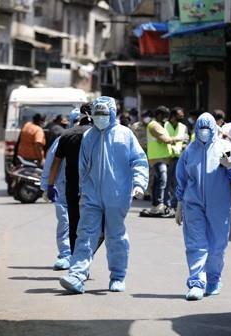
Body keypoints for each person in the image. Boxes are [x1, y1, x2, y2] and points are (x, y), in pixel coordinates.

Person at [59, 96, 148, 294]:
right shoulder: (89, 136)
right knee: (85, 234)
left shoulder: (125, 135)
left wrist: (139, 183)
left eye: (104, 114)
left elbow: (139, 161)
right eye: (97, 114)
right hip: (92, 196)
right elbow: (82, 166)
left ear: (112, 114)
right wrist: (83, 190)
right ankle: (77, 275)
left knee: (115, 237)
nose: (100, 118)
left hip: (117, 195)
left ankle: (117, 276)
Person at [175, 112, 231, 301]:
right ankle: (197, 282)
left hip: (219, 204)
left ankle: (214, 279)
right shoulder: (189, 151)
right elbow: (181, 178)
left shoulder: (226, 148)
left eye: (208, 129)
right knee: (195, 244)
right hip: (193, 203)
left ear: (214, 129)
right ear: (196, 130)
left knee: (217, 245)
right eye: (201, 129)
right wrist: (180, 202)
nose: (204, 132)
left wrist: (230, 165)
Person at [47, 103, 94, 253]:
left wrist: (50, 185)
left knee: (74, 224)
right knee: (94, 225)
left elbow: (55, 162)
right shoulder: (99, 135)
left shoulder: (67, 135)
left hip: (72, 187)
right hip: (94, 188)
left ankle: (76, 259)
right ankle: (85, 258)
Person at [40, 109, 81, 270]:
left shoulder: (93, 139)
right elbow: (52, 162)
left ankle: (80, 256)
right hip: (63, 188)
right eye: (76, 120)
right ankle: (66, 254)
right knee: (65, 221)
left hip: (86, 190)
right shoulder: (64, 139)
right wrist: (47, 185)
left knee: (84, 224)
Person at [146, 106, 179, 215]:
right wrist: (178, 139)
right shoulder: (154, 125)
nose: (166, 119)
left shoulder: (159, 125)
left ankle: (157, 203)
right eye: (165, 116)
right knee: (162, 179)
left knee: (158, 181)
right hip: (158, 158)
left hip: (162, 158)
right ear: (159, 115)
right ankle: (160, 203)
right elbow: (164, 140)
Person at [164, 107, 189, 210]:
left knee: (176, 181)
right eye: (180, 115)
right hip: (167, 156)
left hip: (179, 157)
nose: (182, 116)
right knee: (166, 181)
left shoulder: (183, 127)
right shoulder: (164, 125)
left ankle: (174, 202)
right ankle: (165, 202)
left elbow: (186, 140)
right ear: (173, 116)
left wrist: (183, 147)